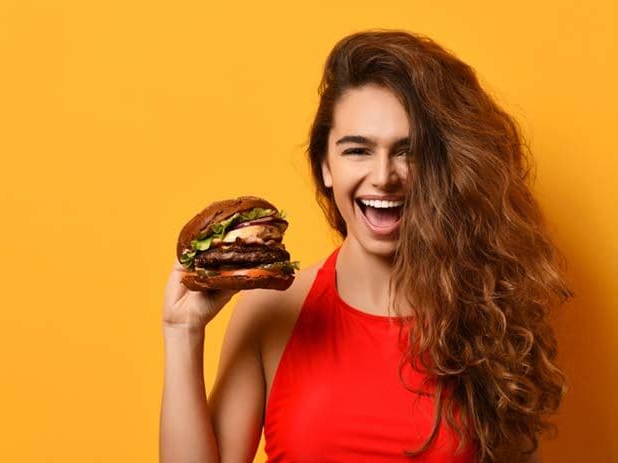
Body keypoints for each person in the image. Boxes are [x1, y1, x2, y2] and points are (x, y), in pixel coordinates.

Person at [160, 29, 573, 463]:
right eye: (358, 150)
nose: (383, 176)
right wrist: (181, 333)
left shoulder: (489, 315)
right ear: (325, 166)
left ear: (443, 169)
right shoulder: (272, 308)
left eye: (408, 152)